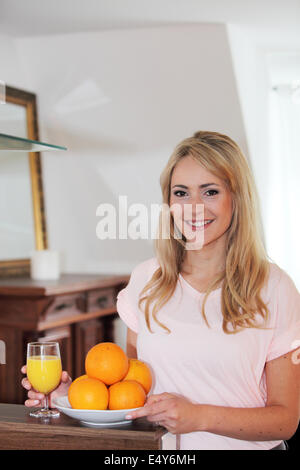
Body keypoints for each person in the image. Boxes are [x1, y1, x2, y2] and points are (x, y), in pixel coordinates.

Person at [21, 130, 300, 450]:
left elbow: (285, 420)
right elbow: (132, 393)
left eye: (210, 192)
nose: (193, 207)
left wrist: (198, 416)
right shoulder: (146, 280)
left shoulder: (275, 288)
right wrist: (72, 397)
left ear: (237, 197)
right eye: (181, 193)